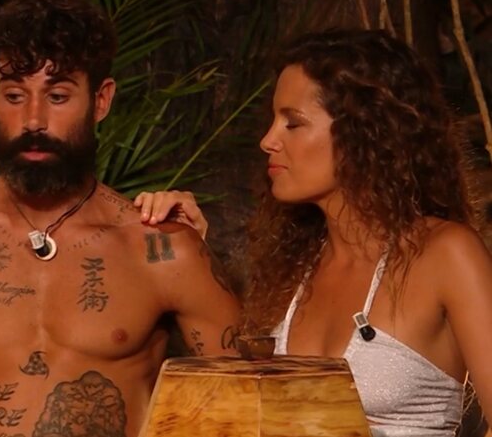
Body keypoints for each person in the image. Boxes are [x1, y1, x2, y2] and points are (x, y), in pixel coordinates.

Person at [0, 0, 240, 437]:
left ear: (101, 101)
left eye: (57, 96)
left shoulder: (162, 249)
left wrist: (201, 251)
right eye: (14, 96)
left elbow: (249, 405)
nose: (33, 120)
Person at [134, 29, 492, 437]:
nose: (268, 140)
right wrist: (195, 255)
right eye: (273, 121)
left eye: (293, 123)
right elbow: (240, 398)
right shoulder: (294, 266)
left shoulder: (445, 253)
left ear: (364, 131)